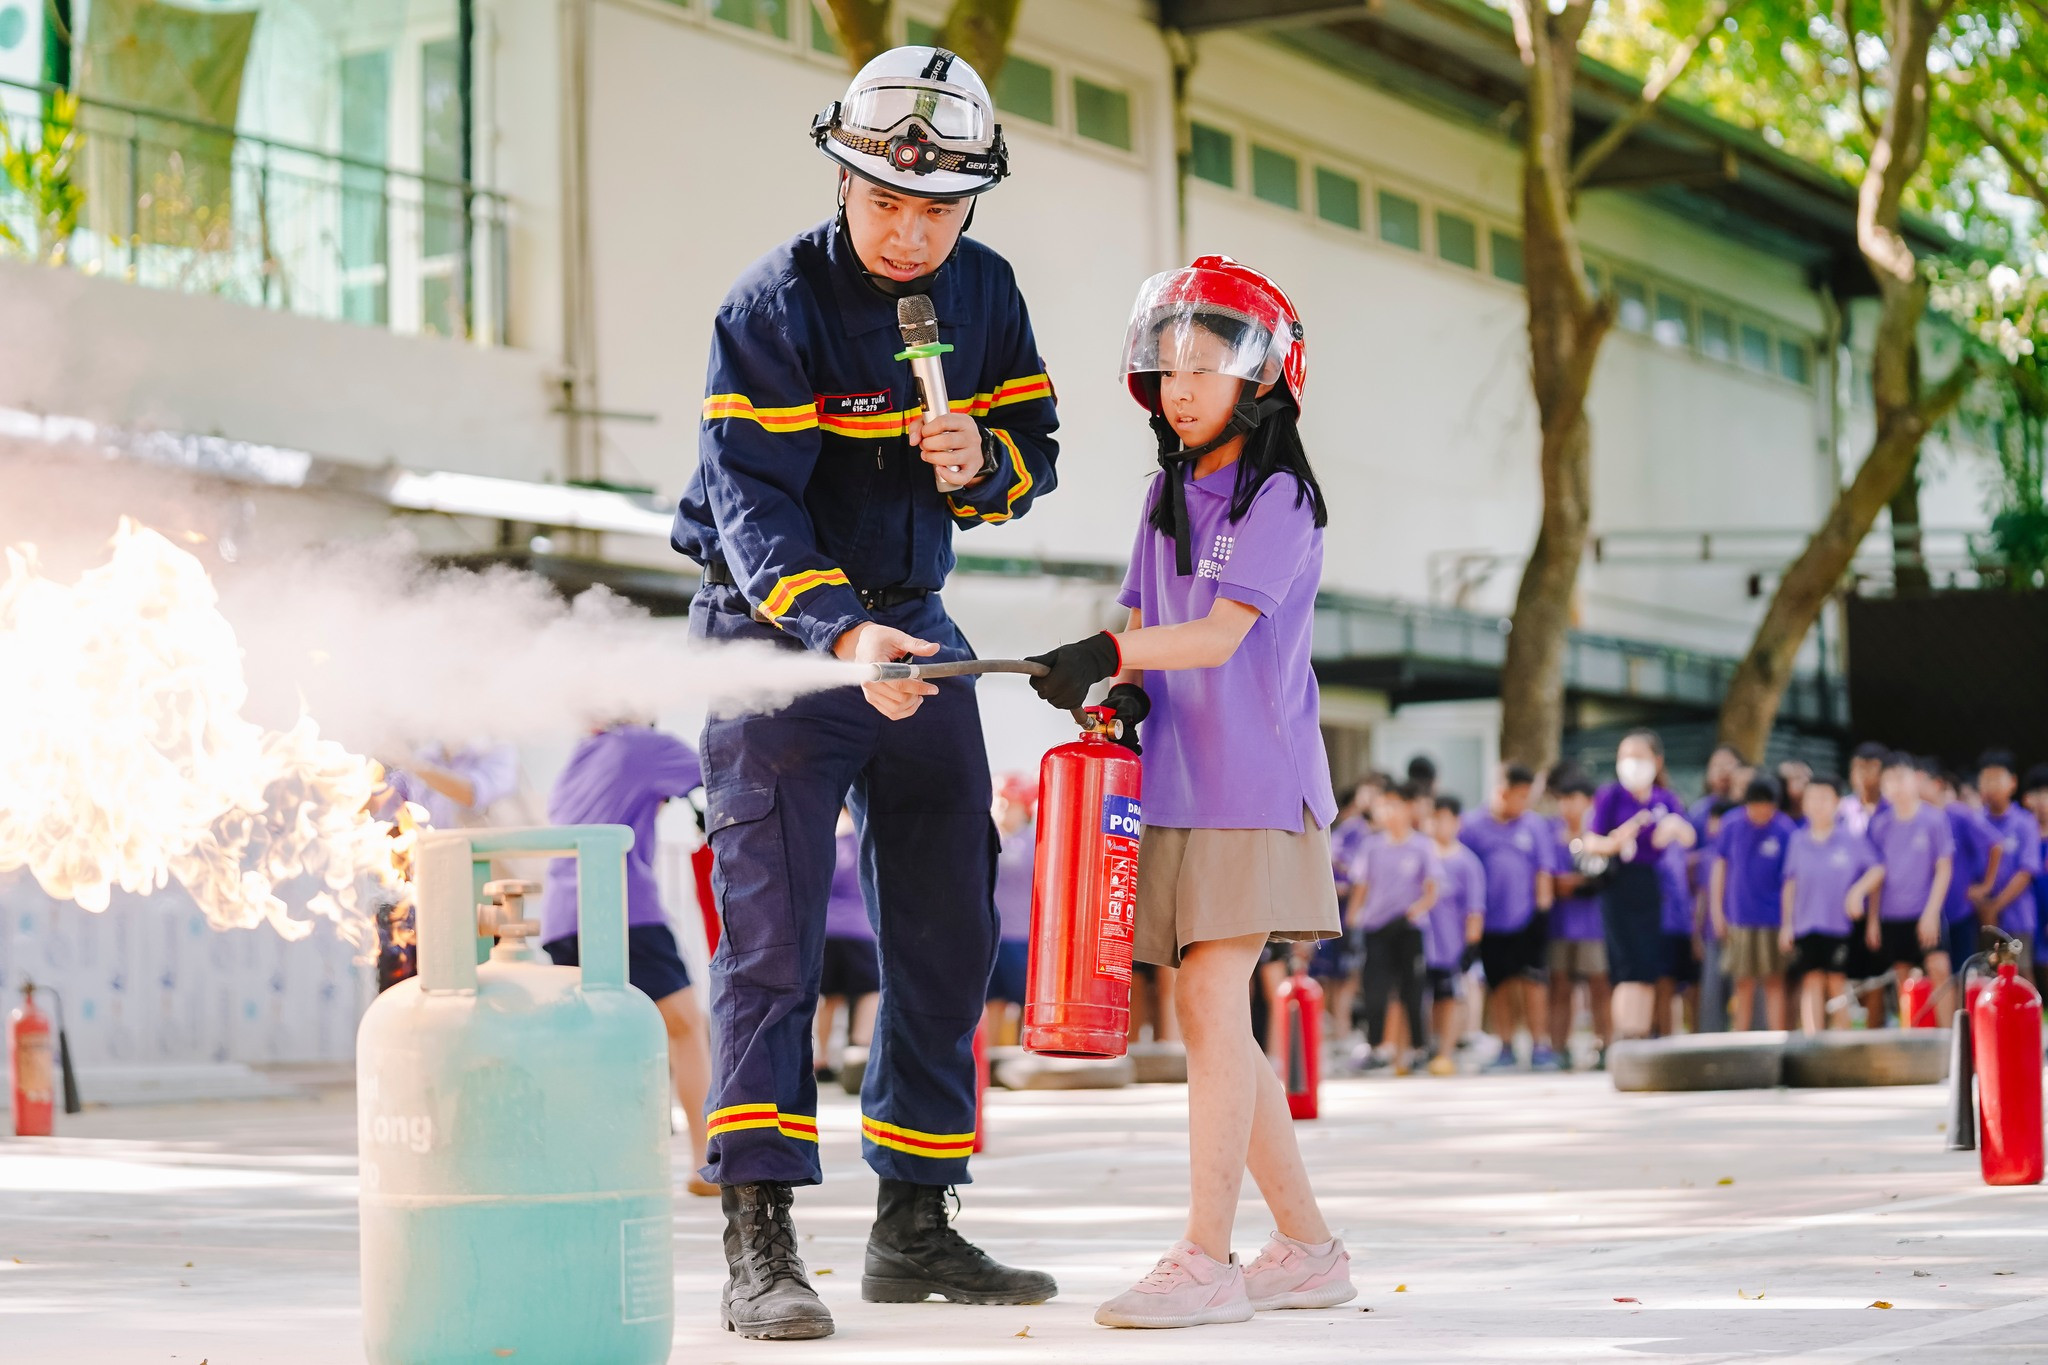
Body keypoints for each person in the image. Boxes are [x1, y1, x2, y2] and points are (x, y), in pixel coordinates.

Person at [669, 45, 1062, 1339]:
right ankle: (759, 1237)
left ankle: (916, 1224)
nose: (907, 230)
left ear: (970, 206)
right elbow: (751, 508)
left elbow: (1035, 457)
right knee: (773, 953)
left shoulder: (988, 296)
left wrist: (983, 461)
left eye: (937, 210)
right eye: (884, 201)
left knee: (951, 927)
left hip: (917, 621)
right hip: (777, 636)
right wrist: (841, 638)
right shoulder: (771, 305)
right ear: (842, 174)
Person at [1025, 256, 1353, 1328]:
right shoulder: (1165, 491)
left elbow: (1211, 638)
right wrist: (1108, 689)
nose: (1179, 383)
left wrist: (1112, 647)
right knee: (1208, 1014)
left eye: (1205, 363)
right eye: (1166, 363)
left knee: (1211, 1002)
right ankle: (1305, 1248)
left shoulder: (1281, 500)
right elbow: (1139, 625)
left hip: (1252, 786)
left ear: (1261, 379)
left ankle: (1205, 1260)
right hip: (1174, 782)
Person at [538, 722, 718, 1199]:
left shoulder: (579, 754)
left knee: (589, 1043)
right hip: (621, 905)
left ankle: (582, 1166)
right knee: (683, 1028)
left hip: (560, 916)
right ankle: (706, 1165)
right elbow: (725, 771)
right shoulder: (644, 743)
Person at [1581, 730, 1697, 1040]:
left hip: (1652, 886)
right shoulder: (1611, 796)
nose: (1631, 763)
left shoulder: (1665, 799)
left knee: (1648, 968)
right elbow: (1591, 841)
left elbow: (1687, 836)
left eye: (1638, 756)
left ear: (1657, 761)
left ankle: (1642, 1035)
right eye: (1625, 757)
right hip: (1618, 883)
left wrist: (1674, 827)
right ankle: (1627, 1038)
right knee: (1628, 967)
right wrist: (1616, 841)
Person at [1459, 764, 1557, 1071]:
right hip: (1490, 922)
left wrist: (1542, 912)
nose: (1525, 803)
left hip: (1527, 919)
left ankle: (1540, 1044)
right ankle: (1505, 1045)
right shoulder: (1472, 826)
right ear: (1502, 792)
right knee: (1498, 985)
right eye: (1520, 795)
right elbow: (1464, 871)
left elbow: (1544, 870)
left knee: (1533, 983)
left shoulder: (1534, 825)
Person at [1778, 774, 1882, 1035]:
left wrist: (1856, 893)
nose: (1818, 804)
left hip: (1837, 925)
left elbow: (1877, 869)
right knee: (1811, 981)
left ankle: (1842, 1042)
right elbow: (1790, 884)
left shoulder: (1850, 838)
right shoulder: (1797, 840)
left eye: (1825, 798)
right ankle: (1814, 1040)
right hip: (1804, 924)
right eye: (1812, 798)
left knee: (1836, 982)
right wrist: (1787, 924)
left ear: (1837, 802)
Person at [1348, 782, 1441, 1074]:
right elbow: (1361, 886)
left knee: (1412, 991)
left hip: (1409, 928)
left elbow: (1432, 889)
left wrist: (1416, 909)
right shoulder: (1371, 846)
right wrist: (1352, 918)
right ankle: (1376, 1048)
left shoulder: (1422, 845)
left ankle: (1418, 1049)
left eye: (1395, 804)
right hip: (1377, 928)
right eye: (1383, 805)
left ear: (1407, 808)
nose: (1389, 812)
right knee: (1375, 990)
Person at [1867, 751, 1954, 1026]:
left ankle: (1950, 1039)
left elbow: (1943, 868)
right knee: (1903, 979)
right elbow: (1875, 876)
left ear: (1914, 779)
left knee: (1939, 968)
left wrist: (1931, 913)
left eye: (1901, 778)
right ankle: (1913, 1037)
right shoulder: (1880, 825)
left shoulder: (1934, 819)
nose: (1896, 785)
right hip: (1892, 915)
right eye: (1889, 780)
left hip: (1925, 911)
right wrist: (1873, 920)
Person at [1710, 777, 1796, 1032]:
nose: (1760, 813)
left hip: (1774, 919)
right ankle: (1740, 1040)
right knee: (1743, 983)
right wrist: (1717, 911)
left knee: (1774, 982)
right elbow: (1719, 867)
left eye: (1766, 807)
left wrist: (1789, 922)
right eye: (1755, 807)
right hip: (1739, 917)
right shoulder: (1731, 825)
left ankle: (1778, 1040)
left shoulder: (1785, 829)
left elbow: (1791, 879)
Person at [1547, 771, 1609, 1068]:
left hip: (1594, 925)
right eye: (1562, 800)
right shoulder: (1550, 834)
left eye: (1573, 799)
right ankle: (1558, 1048)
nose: (1567, 807)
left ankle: (1606, 1045)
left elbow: (1600, 877)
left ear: (1589, 802)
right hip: (1559, 925)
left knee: (1599, 984)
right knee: (1559, 985)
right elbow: (1549, 880)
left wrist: (1577, 883)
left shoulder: (1599, 835)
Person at [816, 812, 881, 1085]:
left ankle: (820, 1058)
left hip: (827, 928)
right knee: (869, 992)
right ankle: (859, 1051)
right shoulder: (866, 837)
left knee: (827, 996)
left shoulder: (825, 840)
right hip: (860, 929)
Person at [1425, 794, 1485, 1076]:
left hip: (1451, 946)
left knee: (1450, 998)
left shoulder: (1467, 862)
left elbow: (1474, 910)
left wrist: (1470, 947)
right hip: (1421, 944)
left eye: (1446, 819)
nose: (1440, 825)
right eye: (1435, 819)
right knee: (1423, 999)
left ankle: (1446, 1052)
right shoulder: (1421, 854)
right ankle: (1424, 1048)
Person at [1929, 767, 1997, 1017]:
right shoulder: (1922, 817)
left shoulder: (1958, 813)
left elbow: (1995, 843)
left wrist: (1986, 886)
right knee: (1937, 973)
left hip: (1961, 911)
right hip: (1931, 913)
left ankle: (1968, 1024)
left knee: (1964, 972)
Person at [1311, 781, 1374, 1045]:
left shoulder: (1371, 832)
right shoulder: (1352, 829)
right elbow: (1334, 864)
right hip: (1343, 915)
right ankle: (1340, 1034)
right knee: (1339, 979)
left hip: (1358, 916)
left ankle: (1342, 1033)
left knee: (1347, 979)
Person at [1973, 749, 2040, 972]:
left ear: (2012, 782)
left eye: (1997, 778)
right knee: (1985, 977)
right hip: (1979, 918)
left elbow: (2027, 870)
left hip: (2017, 917)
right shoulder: (1974, 822)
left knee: (2019, 974)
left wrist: (1996, 906)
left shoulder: (2025, 822)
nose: (1991, 785)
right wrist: (1982, 904)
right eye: (1986, 779)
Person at [985, 774, 1037, 1046]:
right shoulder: (986, 838)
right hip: (992, 935)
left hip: (1022, 936)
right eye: (1000, 801)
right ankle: (990, 1055)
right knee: (991, 1001)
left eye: (1011, 803)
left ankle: (1021, 1051)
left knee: (1022, 1000)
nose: (1003, 808)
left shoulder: (1034, 842)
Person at [1838, 741, 1890, 837]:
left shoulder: (1892, 809)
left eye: (1869, 768)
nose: (1861, 774)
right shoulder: (1842, 808)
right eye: (1857, 767)